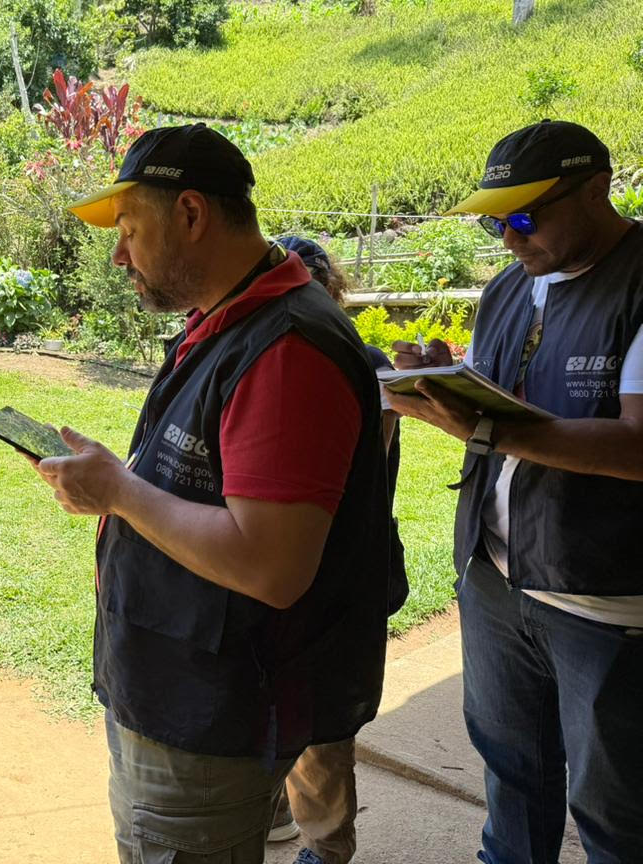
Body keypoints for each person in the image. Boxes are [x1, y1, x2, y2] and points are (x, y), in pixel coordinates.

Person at [35, 124, 391, 864]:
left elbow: (270, 565)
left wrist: (119, 491)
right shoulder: (234, 320)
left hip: (213, 714)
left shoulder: (286, 349)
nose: (119, 254)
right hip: (181, 691)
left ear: (191, 214)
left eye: (130, 229)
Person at [385, 119, 643, 864]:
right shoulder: (508, 288)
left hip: (603, 603)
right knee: (511, 781)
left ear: (596, 190)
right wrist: (443, 387)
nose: (507, 238)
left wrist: (488, 428)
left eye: (525, 218)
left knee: (616, 815)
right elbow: (508, 408)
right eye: (495, 221)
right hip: (496, 578)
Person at [270, 236, 409, 864]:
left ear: (330, 291)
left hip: (340, 570)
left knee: (320, 720)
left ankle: (324, 848)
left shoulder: (359, 360)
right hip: (279, 562)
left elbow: (356, 465)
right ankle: (277, 814)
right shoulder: (272, 352)